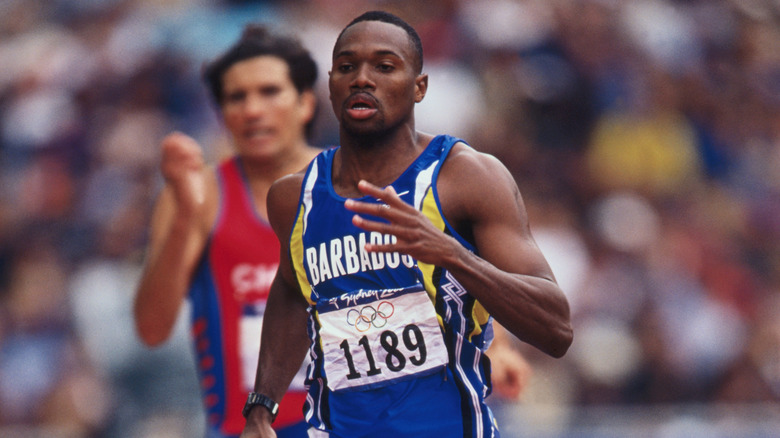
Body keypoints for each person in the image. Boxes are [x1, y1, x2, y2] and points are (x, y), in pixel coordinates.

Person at [240, 11, 573, 437]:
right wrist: (262, 403)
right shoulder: (293, 198)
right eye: (347, 67)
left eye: (384, 66)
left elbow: (557, 329)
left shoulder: (466, 178)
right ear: (330, 84)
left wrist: (453, 254)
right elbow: (291, 288)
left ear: (419, 87)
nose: (362, 78)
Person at [133, 24, 321, 438]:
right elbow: (151, 329)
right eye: (237, 97)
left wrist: (498, 348)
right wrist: (184, 215)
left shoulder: (351, 182)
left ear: (306, 103)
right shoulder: (198, 195)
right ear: (221, 114)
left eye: (269, 91)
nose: (252, 109)